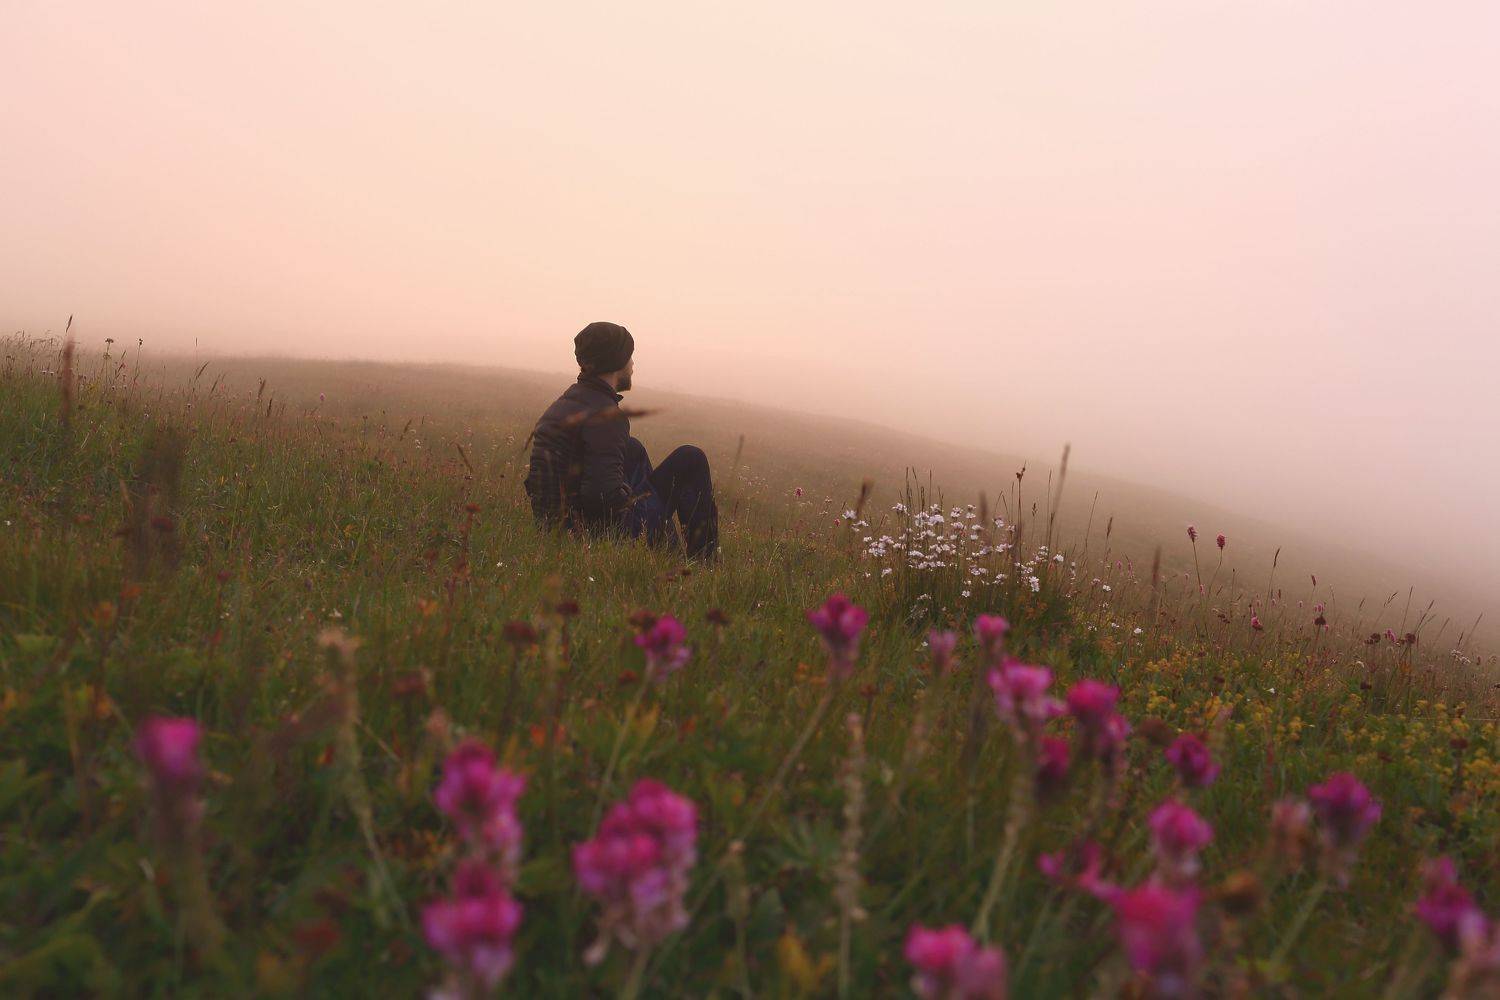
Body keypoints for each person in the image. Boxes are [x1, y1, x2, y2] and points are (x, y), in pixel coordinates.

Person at [524, 321, 719, 560]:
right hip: (595, 535)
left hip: (556, 526)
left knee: (632, 448)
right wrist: (631, 497)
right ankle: (702, 562)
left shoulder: (564, 404)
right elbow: (601, 498)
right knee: (691, 458)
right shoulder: (606, 417)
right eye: (629, 357)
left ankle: (668, 548)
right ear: (616, 362)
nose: (632, 364)